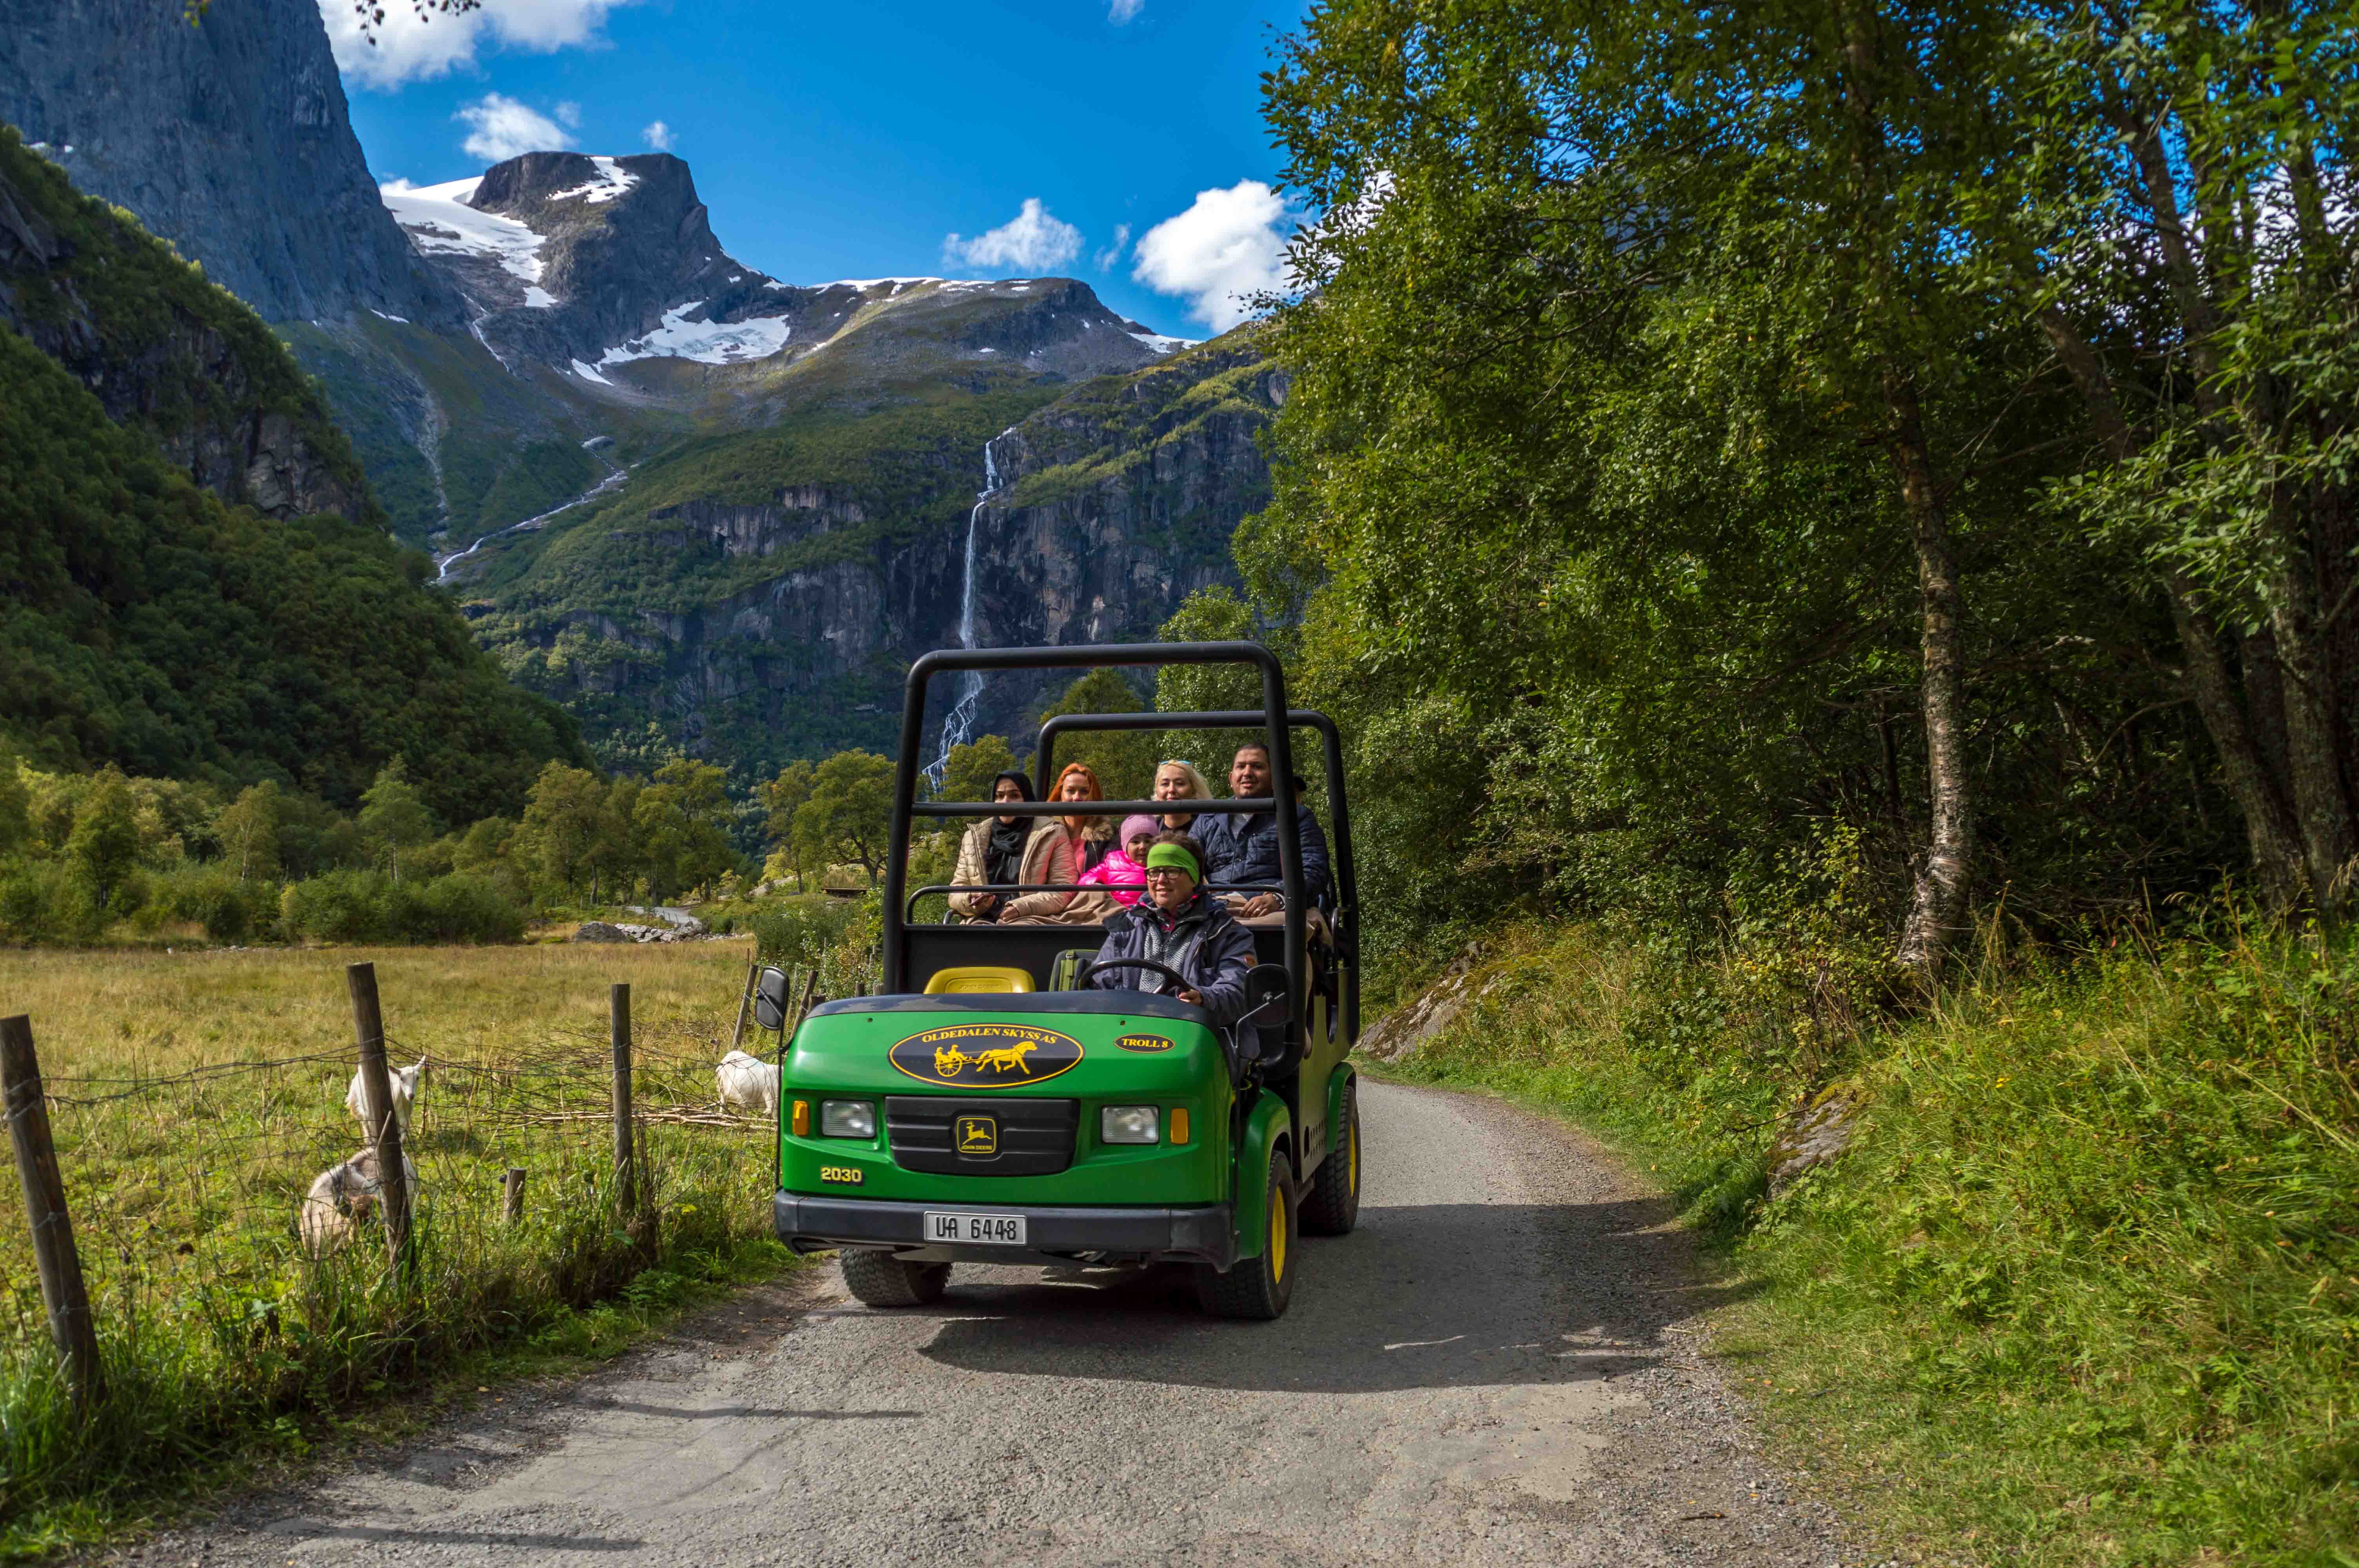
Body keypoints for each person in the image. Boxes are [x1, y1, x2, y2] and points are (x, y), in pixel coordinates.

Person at [1088, 831, 1255, 1025]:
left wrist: (1205, 998)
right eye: (1154, 871)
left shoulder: (1227, 932)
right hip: (1126, 1032)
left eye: (1172, 871)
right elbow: (1098, 986)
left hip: (1194, 1033)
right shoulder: (1126, 928)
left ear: (1194, 877)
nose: (1160, 880)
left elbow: (1238, 991)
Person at [1195, 741, 1330, 920]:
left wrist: (1277, 897)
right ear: (1231, 778)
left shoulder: (1295, 817)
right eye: (1241, 767)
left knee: (1281, 928)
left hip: (1270, 907)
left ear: (1274, 778)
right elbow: (1187, 863)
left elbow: (1313, 868)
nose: (1247, 773)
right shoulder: (1208, 818)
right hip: (1215, 905)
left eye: (1257, 767)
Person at [948, 771, 1076, 923]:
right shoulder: (973, 837)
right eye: (999, 796)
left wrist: (1021, 908)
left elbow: (1063, 889)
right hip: (981, 920)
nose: (1006, 802)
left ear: (1027, 799)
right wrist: (971, 899)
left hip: (1031, 919)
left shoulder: (1051, 833)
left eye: (1014, 796)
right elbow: (956, 890)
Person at [1075, 814, 1160, 909]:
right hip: (1118, 912)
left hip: (1148, 914)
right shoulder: (1113, 862)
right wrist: (1097, 886)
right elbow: (1085, 880)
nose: (1143, 847)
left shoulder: (1161, 864)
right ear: (1125, 846)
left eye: (1148, 841)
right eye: (1136, 842)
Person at [1050, 762, 1117, 873]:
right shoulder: (1045, 833)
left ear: (1094, 796)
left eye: (1084, 792)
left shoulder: (1107, 837)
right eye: (1070, 791)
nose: (1077, 798)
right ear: (1060, 795)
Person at [1151, 759, 1213, 834]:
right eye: (1165, 784)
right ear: (1157, 792)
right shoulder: (1149, 831)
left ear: (1194, 791)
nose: (1171, 790)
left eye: (1180, 784)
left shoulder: (1209, 830)